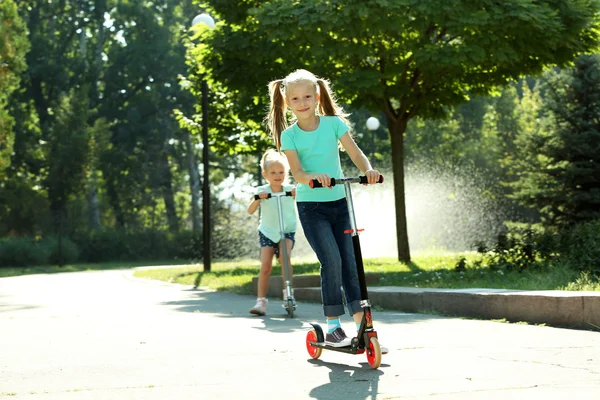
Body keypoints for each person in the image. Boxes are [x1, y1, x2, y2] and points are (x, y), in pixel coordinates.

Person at [266, 69, 383, 348]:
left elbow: (355, 152)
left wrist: (367, 170)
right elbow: (297, 171)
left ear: (317, 96)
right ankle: (333, 327)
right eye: (295, 98)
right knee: (331, 261)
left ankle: (362, 326)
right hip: (312, 206)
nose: (302, 102)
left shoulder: (333, 124)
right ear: (287, 102)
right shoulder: (290, 136)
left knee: (350, 263)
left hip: (340, 204)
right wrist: (312, 178)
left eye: (307, 96)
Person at [247, 149, 297, 316]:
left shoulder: (291, 189)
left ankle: (288, 293)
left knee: (285, 256)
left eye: (281, 172)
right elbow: (250, 210)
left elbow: (304, 201)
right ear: (265, 174)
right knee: (266, 265)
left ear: (286, 173)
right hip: (268, 231)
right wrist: (258, 198)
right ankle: (261, 301)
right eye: (273, 172)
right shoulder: (262, 190)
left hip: (286, 230)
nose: (277, 175)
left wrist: (297, 194)